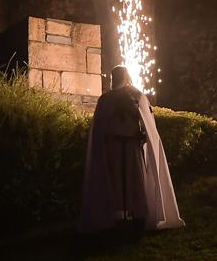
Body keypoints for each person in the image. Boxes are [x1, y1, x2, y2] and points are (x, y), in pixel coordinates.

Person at [77, 65, 184, 234]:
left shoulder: (131, 96)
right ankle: (124, 216)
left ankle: (136, 215)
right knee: (119, 181)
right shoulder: (115, 98)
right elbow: (100, 127)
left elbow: (144, 123)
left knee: (132, 179)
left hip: (128, 146)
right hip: (116, 147)